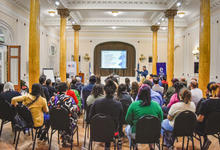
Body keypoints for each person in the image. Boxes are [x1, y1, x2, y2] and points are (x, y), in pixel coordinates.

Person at [125, 84, 163, 148]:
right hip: (153, 134)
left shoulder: (133, 105)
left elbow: (127, 120)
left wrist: (133, 124)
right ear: (149, 94)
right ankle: (151, 145)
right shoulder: (156, 105)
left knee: (127, 129)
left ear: (139, 94)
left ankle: (134, 146)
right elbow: (160, 119)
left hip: (137, 134)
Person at [89, 79, 123, 149]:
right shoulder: (118, 104)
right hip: (113, 133)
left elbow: (90, 118)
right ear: (114, 91)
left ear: (104, 91)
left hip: (96, 132)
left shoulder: (96, 102)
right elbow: (121, 120)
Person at [48, 82, 78, 147]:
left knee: (61, 117)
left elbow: (49, 110)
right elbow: (75, 109)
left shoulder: (52, 99)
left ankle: (64, 135)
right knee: (73, 118)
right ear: (66, 89)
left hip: (54, 123)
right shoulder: (69, 99)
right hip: (67, 123)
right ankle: (67, 136)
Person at [196, 83, 220, 150]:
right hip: (217, 127)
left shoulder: (205, 103)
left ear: (209, 91)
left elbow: (200, 119)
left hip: (205, 129)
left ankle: (205, 139)